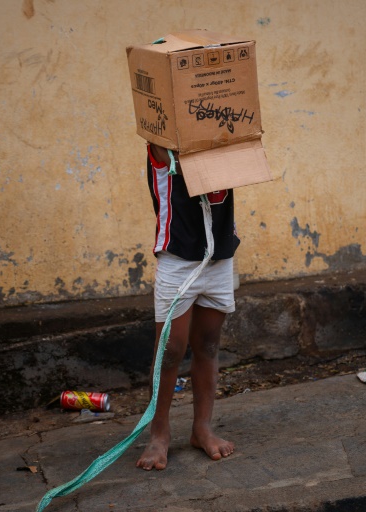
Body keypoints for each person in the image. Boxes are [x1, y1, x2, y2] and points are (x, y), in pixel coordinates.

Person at [136, 142, 239, 471]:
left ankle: (202, 428)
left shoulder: (222, 136)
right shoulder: (163, 145)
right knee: (170, 349)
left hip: (219, 255)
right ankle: (159, 434)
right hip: (178, 257)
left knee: (208, 344)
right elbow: (175, 156)